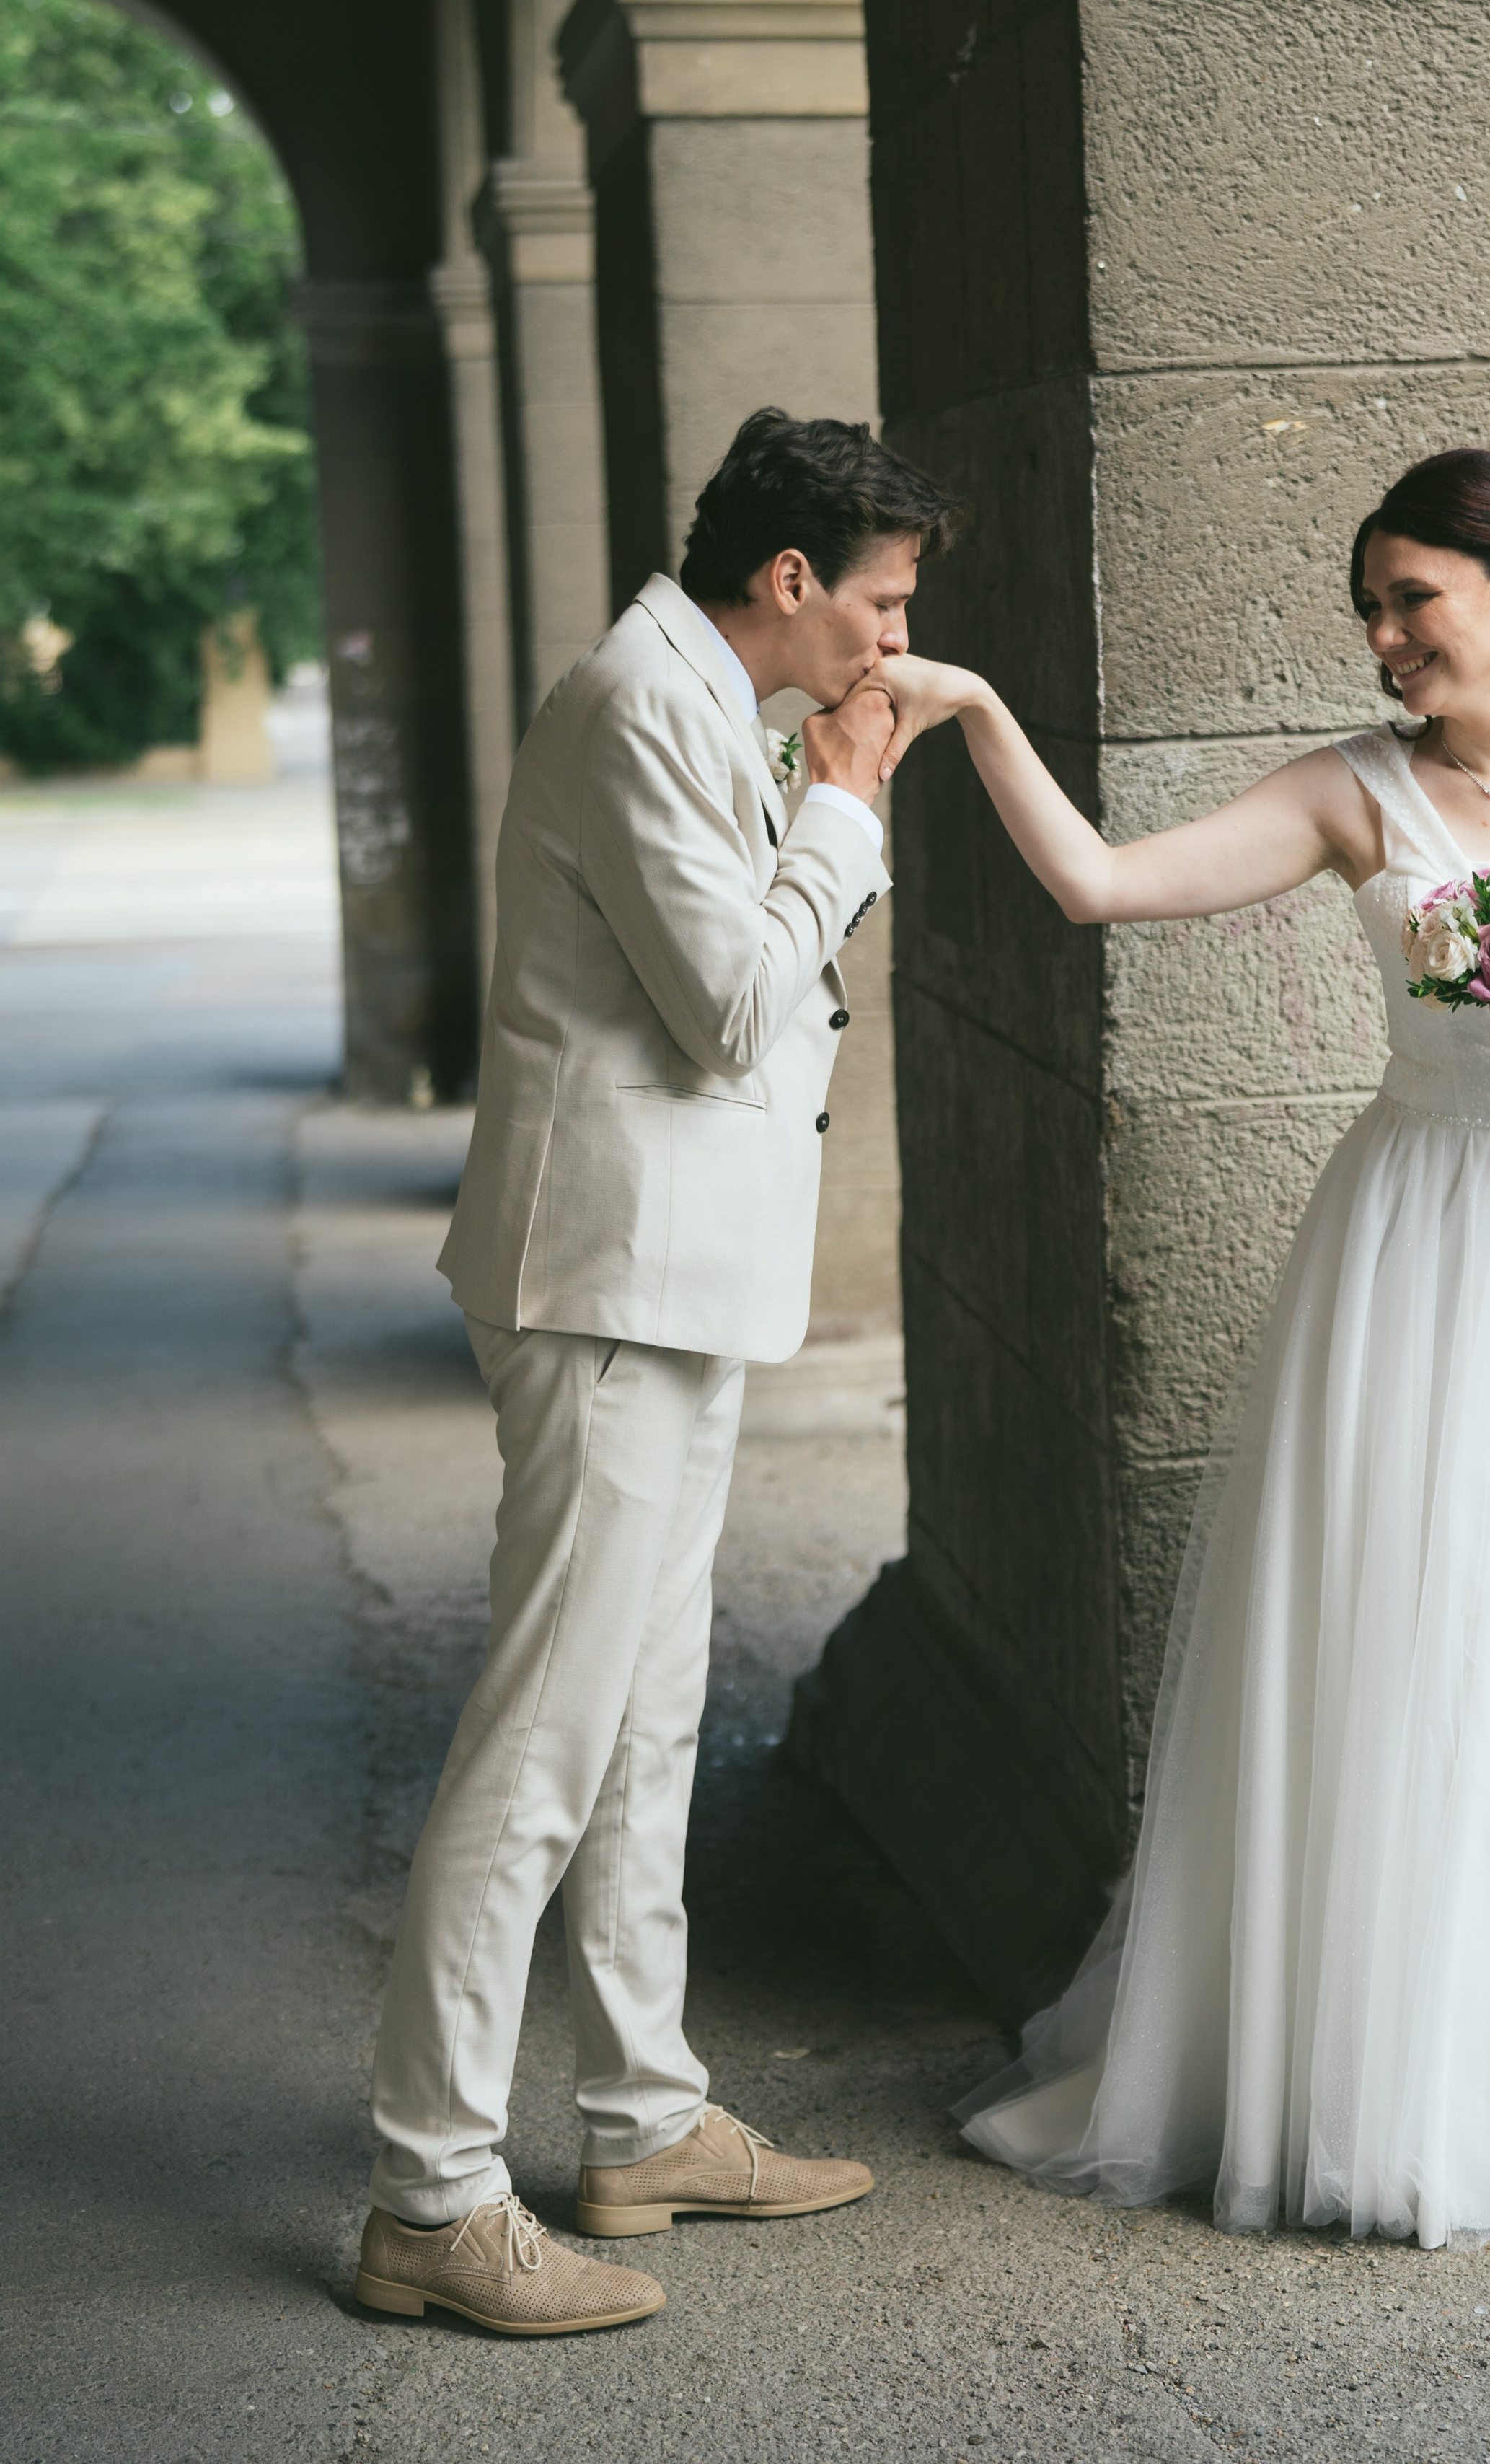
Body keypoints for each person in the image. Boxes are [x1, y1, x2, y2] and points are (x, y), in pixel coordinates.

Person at [869, 447, 1490, 2250]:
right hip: (1416, 1237)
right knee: (1418, 1622)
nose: (1383, 640)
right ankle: (1405, 2071)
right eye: (1369, 610)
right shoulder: (1352, 791)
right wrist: (981, 711)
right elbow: (1097, 886)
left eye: (1410, 601)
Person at [353, 408, 956, 2333]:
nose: (893, 644)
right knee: (544, 1741)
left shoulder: (706, 697)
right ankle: (430, 2196)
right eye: (882, 606)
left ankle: (639, 2120)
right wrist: (843, 804)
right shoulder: (636, 701)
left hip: (675, 1277)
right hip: (604, 1282)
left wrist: (820, 782)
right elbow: (730, 1008)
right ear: (789, 580)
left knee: (646, 1724)